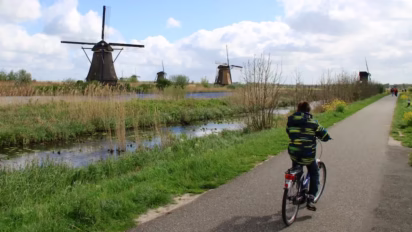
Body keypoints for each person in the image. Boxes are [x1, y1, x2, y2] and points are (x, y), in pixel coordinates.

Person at [286, 102, 331, 211]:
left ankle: (299, 190)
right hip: (308, 154)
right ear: (308, 110)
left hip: (294, 153)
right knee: (314, 172)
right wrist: (326, 138)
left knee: (297, 169)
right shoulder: (312, 122)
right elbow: (324, 135)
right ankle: (311, 197)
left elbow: (288, 131)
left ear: (298, 109)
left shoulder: (291, 120)